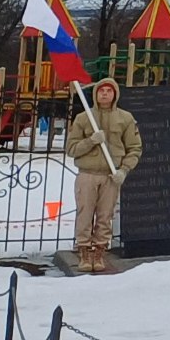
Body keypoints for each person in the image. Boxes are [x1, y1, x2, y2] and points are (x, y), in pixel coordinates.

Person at [65, 78, 141, 275]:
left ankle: (99, 251)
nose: (105, 94)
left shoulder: (125, 118)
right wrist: (91, 141)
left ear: (115, 94)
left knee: (105, 215)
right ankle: (84, 250)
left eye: (109, 90)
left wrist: (124, 170)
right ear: (95, 94)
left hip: (111, 176)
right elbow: (71, 149)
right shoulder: (83, 118)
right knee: (85, 214)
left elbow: (134, 148)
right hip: (87, 174)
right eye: (101, 91)